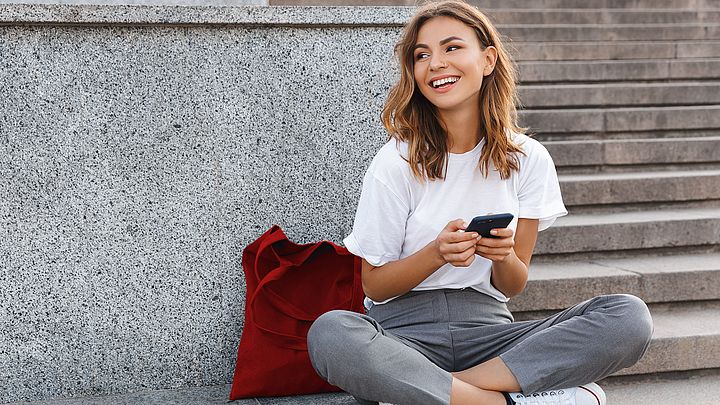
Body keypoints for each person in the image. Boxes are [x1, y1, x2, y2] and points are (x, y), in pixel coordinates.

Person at [307, 1, 653, 404]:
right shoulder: (396, 160)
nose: (435, 63)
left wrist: (503, 256)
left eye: (452, 48)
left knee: (627, 317)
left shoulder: (528, 158)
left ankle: (433, 390)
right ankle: (501, 400)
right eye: (422, 55)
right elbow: (375, 286)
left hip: (491, 336)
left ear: (488, 59)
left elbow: (513, 284)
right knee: (331, 333)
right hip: (403, 336)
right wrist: (436, 253)